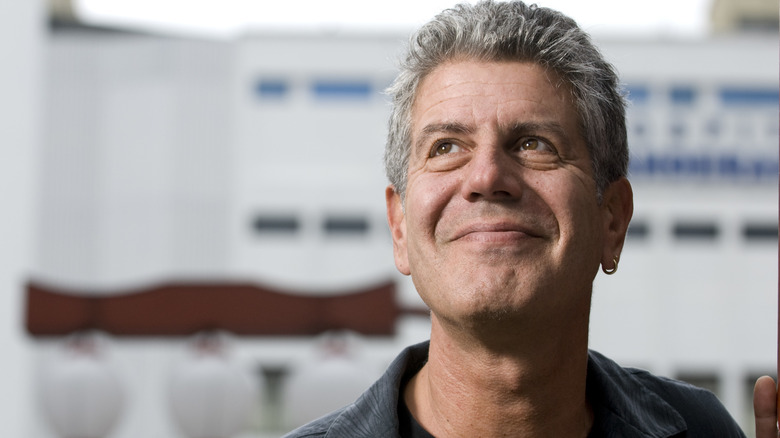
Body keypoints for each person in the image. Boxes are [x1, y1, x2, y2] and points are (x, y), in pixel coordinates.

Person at [284, 1, 776, 436]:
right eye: (447, 147)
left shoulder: (704, 430)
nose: (487, 176)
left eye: (534, 144)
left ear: (612, 221)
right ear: (400, 229)